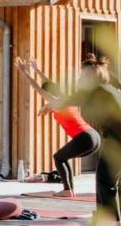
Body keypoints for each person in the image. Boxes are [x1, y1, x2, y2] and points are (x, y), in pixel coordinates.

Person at [47, 54, 121, 226]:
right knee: (115, 181)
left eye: (82, 76)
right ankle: (120, 221)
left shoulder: (97, 92)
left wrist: (50, 102)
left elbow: (66, 101)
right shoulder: (107, 89)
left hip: (120, 143)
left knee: (105, 180)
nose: (79, 79)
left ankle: (111, 222)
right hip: (119, 141)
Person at [14, 56, 100, 197]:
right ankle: (69, 190)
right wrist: (37, 70)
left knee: (58, 158)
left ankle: (67, 190)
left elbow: (37, 87)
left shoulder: (55, 101)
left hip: (84, 137)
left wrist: (24, 72)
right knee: (63, 157)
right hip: (93, 137)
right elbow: (48, 83)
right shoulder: (65, 98)